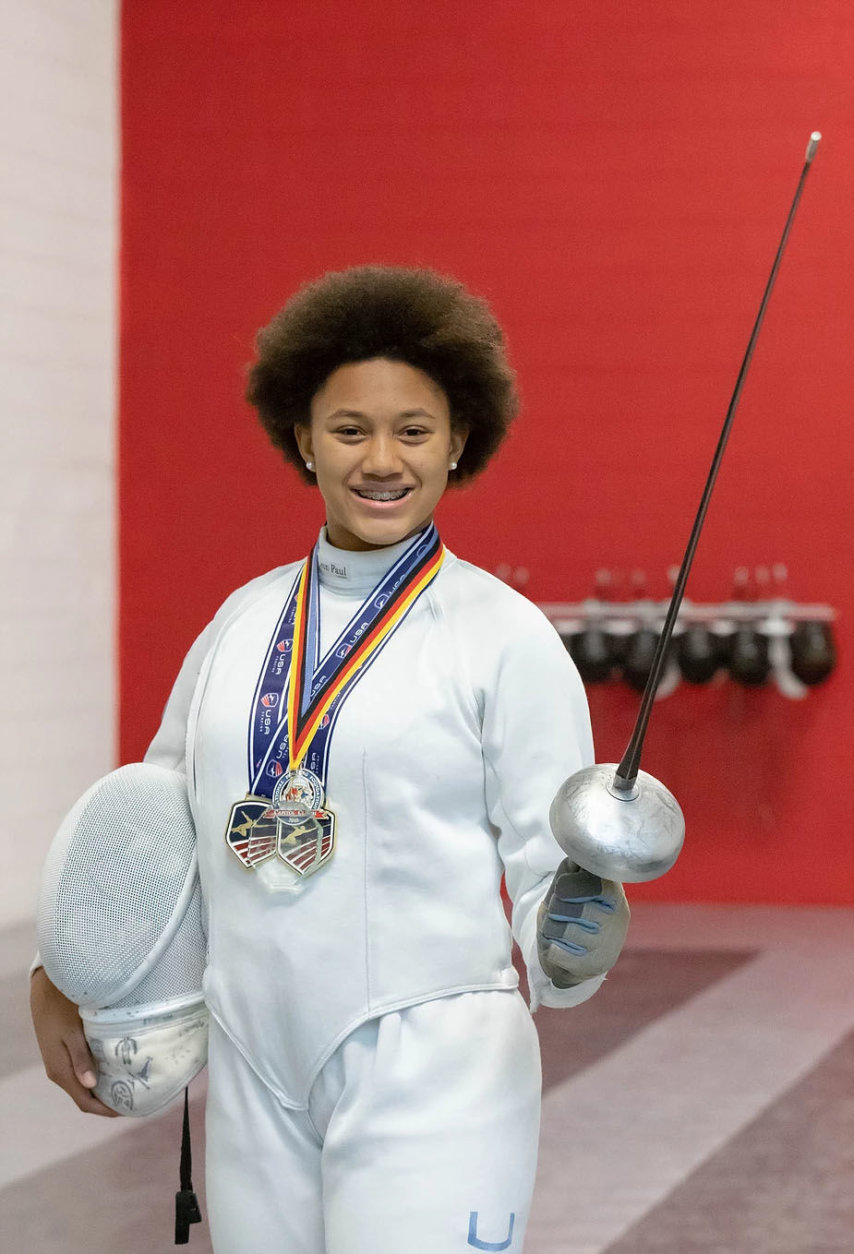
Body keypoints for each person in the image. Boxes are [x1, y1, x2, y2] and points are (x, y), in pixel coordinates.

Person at [31, 265, 630, 1253]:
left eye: (413, 431)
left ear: (458, 441)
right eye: (350, 430)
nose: (381, 459)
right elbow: (155, 829)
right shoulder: (241, 622)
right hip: (255, 1059)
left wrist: (573, 932)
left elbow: (549, 870)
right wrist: (67, 970)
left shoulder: (502, 636)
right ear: (303, 439)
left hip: (433, 1060)